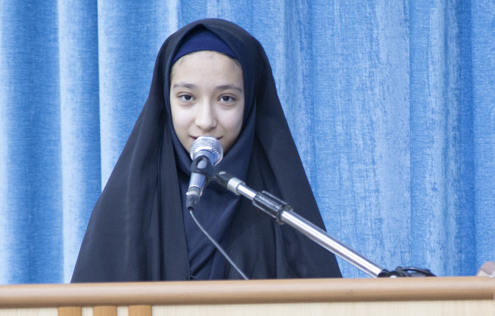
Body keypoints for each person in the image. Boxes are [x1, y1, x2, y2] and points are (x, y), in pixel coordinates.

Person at [71, 19, 341, 282]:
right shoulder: (128, 204)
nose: (205, 121)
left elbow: (320, 305)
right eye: (187, 97)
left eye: (226, 99)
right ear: (166, 100)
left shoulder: (278, 204)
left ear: (250, 103)